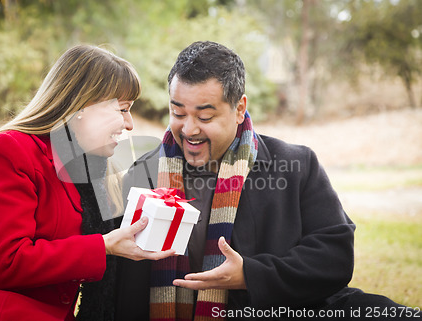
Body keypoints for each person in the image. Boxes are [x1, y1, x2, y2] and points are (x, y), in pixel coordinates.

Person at [114, 41, 421, 320]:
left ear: (239, 109)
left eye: (205, 117)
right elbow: (114, 283)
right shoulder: (143, 174)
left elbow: (335, 257)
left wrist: (250, 275)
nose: (189, 129)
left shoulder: (296, 165)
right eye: (177, 112)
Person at [0, 44, 175, 321]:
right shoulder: (11, 150)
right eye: (122, 109)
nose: (129, 124)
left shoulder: (95, 167)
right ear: (83, 105)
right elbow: (6, 262)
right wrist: (102, 245)